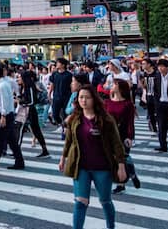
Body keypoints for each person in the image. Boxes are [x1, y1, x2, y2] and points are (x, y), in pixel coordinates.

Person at [59, 85, 126, 229]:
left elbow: (116, 143)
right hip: (81, 166)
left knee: (105, 201)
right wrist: (63, 158)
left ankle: (110, 226)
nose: (84, 100)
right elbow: (69, 141)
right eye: (81, 97)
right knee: (80, 202)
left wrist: (121, 165)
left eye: (87, 97)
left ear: (94, 99)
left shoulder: (106, 120)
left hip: (102, 167)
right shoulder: (75, 119)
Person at [105, 79, 140, 194]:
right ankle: (131, 174)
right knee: (113, 158)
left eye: (115, 84)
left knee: (122, 158)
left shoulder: (128, 104)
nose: (112, 86)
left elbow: (130, 122)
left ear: (120, 88)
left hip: (123, 134)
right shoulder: (107, 102)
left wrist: (130, 137)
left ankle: (121, 184)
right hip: (109, 134)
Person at [49, 58, 73, 125]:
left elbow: (71, 86)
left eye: (58, 63)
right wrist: (49, 93)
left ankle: (65, 126)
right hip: (56, 96)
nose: (56, 64)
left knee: (66, 113)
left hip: (66, 97)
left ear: (63, 65)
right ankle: (60, 123)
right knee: (54, 114)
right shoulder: (54, 74)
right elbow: (52, 84)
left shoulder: (69, 75)